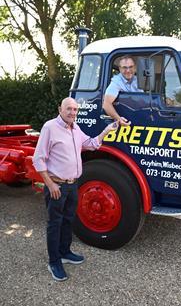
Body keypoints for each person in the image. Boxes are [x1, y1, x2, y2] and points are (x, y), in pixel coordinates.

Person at [33, 97, 118, 281]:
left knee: (68, 220)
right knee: (54, 224)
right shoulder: (50, 128)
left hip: (73, 185)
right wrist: (50, 184)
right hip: (58, 186)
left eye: (75, 109)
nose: (72, 112)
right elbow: (38, 159)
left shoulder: (75, 128)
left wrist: (106, 131)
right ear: (60, 109)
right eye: (69, 109)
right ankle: (54, 262)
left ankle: (65, 252)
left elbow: (91, 144)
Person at [103, 55, 143, 126]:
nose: (128, 70)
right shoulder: (116, 81)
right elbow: (106, 104)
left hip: (137, 117)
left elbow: (142, 100)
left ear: (135, 67)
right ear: (120, 69)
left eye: (131, 67)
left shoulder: (137, 80)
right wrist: (119, 119)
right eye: (124, 67)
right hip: (125, 121)